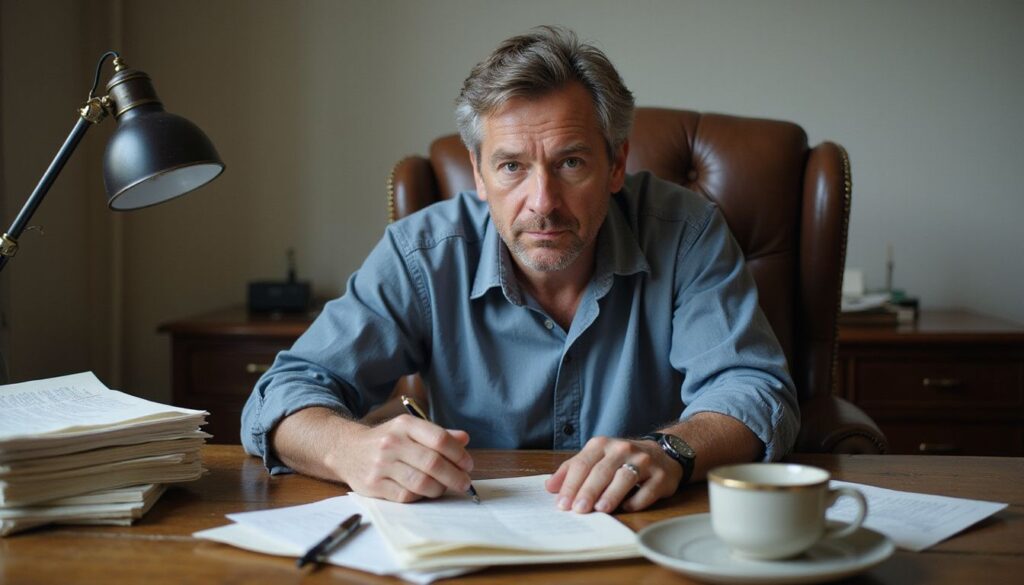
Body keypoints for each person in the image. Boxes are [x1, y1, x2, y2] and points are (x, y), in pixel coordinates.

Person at [241, 26, 798, 514]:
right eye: (511, 166)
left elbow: (752, 388)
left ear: (616, 164)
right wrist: (350, 449)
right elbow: (280, 395)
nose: (542, 202)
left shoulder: (687, 232)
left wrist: (669, 450)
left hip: (647, 528)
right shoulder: (422, 254)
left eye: (570, 162)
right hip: (475, 534)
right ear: (479, 176)